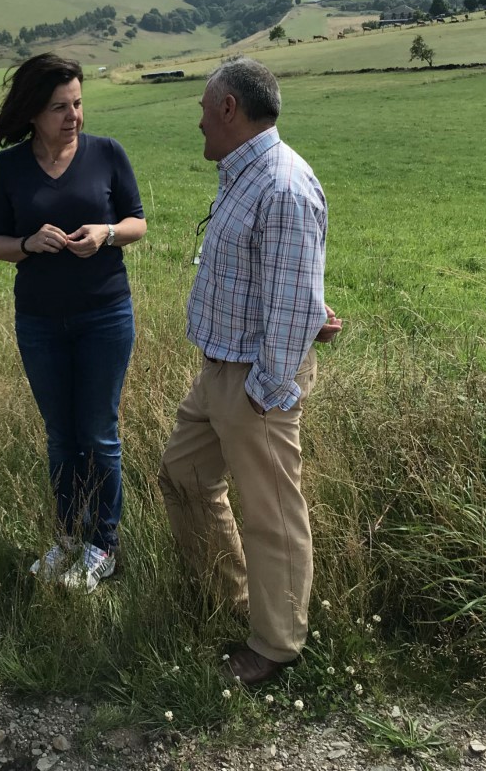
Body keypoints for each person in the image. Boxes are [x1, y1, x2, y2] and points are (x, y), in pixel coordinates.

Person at [158, 56, 342, 686]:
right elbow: (278, 285)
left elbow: (293, 312)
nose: (199, 121)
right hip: (218, 373)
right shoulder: (245, 173)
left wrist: (263, 395)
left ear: (230, 109)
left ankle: (276, 647)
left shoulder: (282, 185)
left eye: (204, 109)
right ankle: (229, 601)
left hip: (253, 382)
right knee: (182, 475)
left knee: (271, 515)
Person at [0, 53, 147, 592]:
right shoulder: (7, 168)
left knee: (99, 433)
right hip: (39, 321)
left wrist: (107, 233)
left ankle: (104, 545)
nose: (73, 115)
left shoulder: (107, 153)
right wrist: (29, 244)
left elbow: (137, 222)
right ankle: (67, 539)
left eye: (77, 103)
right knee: (61, 436)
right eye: (59, 107)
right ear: (33, 112)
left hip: (104, 314)